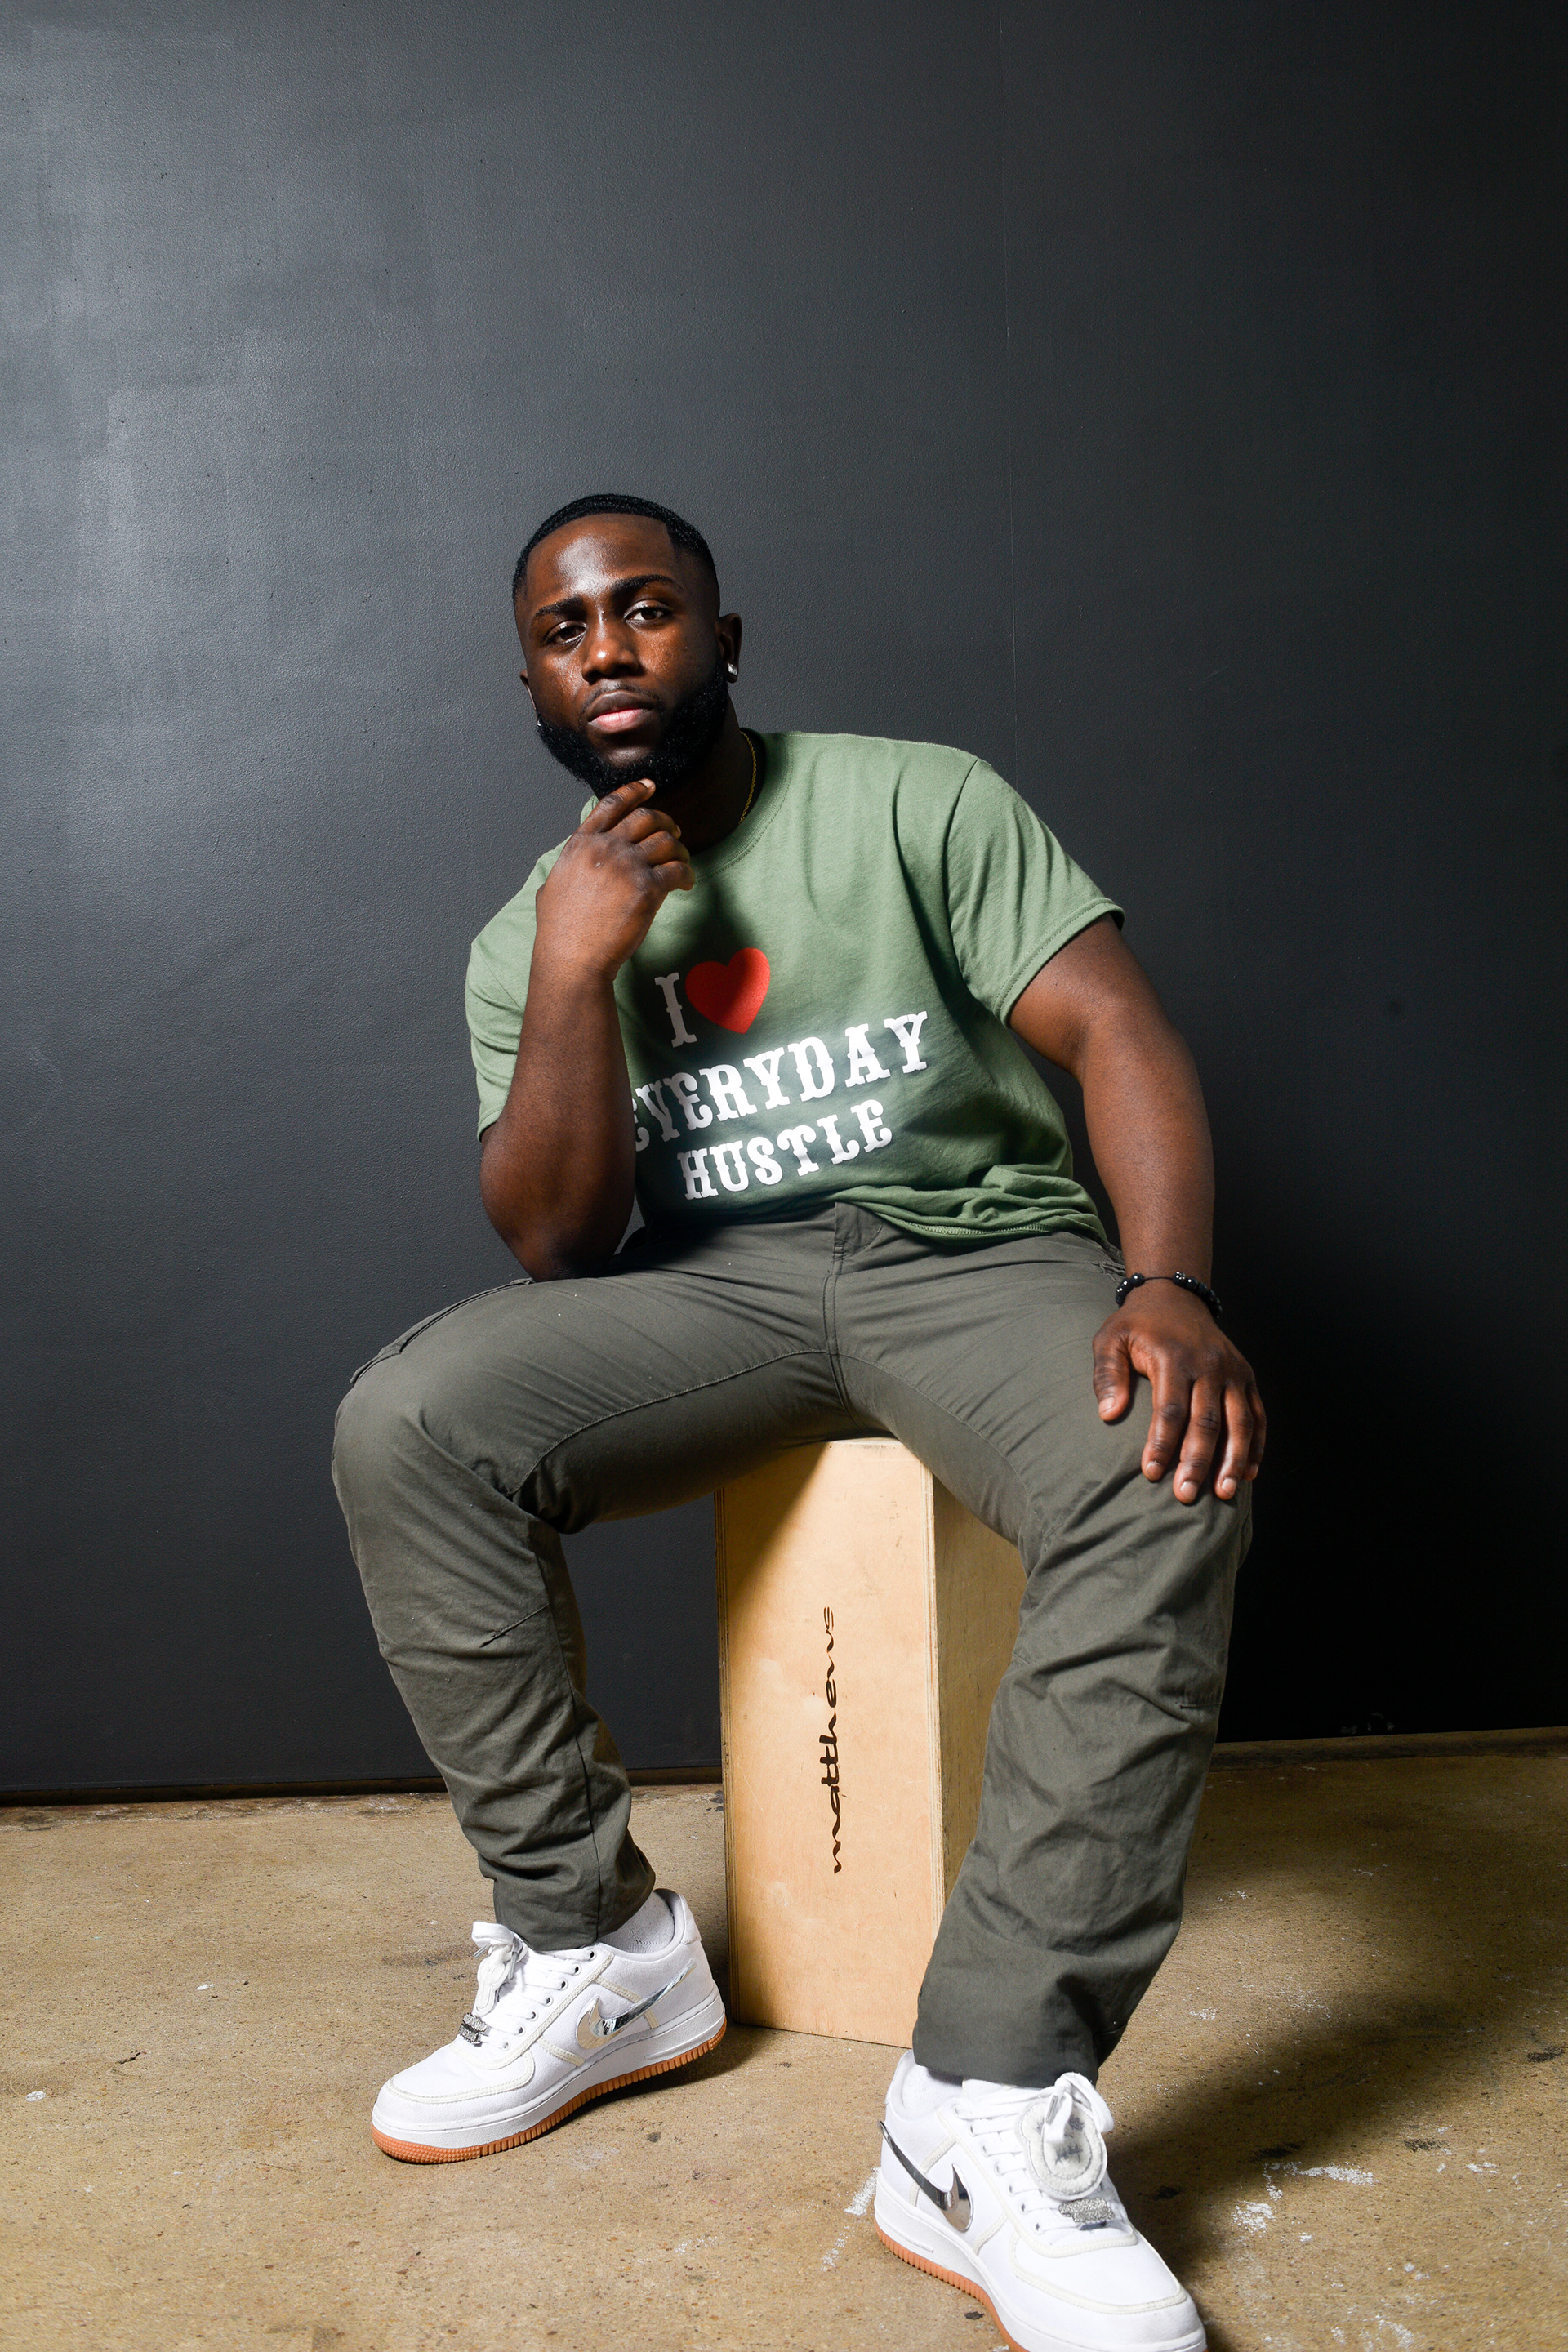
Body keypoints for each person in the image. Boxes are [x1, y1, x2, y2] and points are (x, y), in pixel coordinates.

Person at [332, 492, 1263, 2352]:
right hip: (715, 1291)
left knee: (1154, 1458)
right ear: (533, 684)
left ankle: (983, 2094)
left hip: (973, 1252)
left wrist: (1171, 1281)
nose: (610, 650)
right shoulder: (531, 935)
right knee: (409, 1422)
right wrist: (584, 965)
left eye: (647, 609)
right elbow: (554, 1240)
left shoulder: (917, 799)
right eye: (566, 631)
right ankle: (596, 1947)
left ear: (724, 639)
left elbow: (1116, 1033)